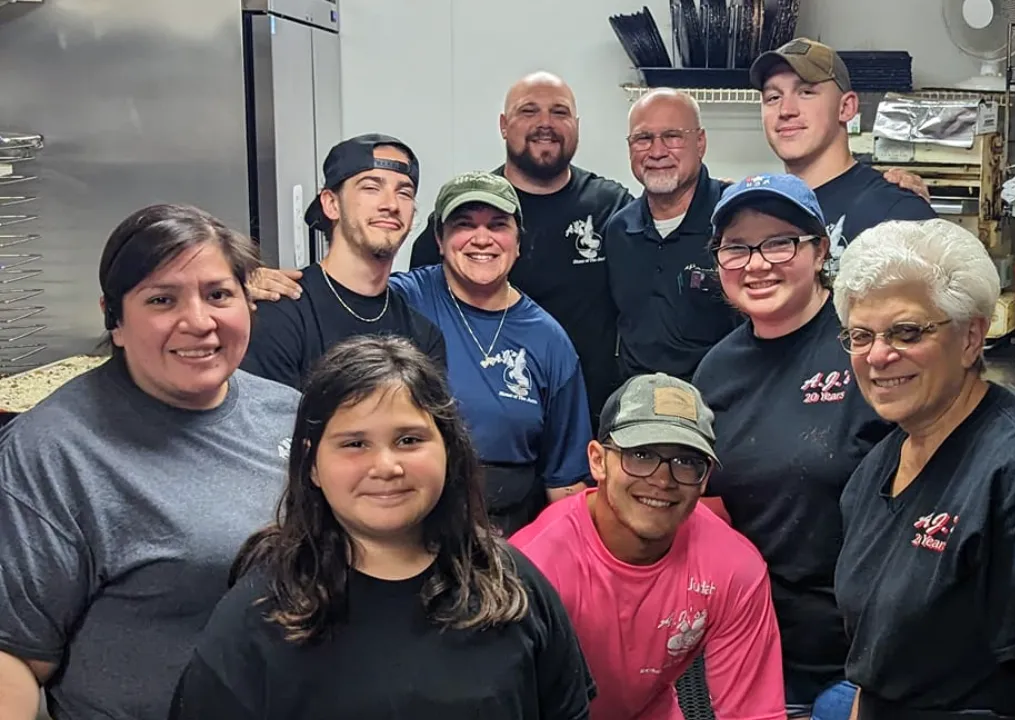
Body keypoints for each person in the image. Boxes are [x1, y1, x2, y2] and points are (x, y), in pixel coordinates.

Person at [168, 336, 594, 719]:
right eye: (355, 444)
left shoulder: (513, 585)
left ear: (449, 448)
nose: (386, 467)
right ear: (312, 463)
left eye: (409, 440)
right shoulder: (258, 611)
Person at [0, 204, 300, 720]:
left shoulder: (290, 413)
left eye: (219, 294)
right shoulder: (53, 450)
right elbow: (14, 657)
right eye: (162, 299)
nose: (199, 321)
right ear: (114, 319)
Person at [831, 219, 1015, 720]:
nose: (878, 355)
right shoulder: (880, 465)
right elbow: (877, 674)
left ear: (970, 337)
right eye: (860, 335)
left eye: (906, 331)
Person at [691, 174, 892, 720]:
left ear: (820, 249)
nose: (757, 264)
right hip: (754, 649)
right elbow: (711, 507)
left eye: (780, 242)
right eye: (737, 248)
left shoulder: (867, 349)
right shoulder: (717, 370)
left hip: (861, 659)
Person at [511, 373, 786, 720]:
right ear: (598, 461)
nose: (661, 480)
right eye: (640, 454)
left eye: (687, 462)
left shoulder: (734, 569)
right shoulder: (532, 571)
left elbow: (755, 714)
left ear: (705, 480)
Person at [409, 71, 633, 426]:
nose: (545, 124)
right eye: (528, 111)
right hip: (479, 425)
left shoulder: (611, 206)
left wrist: (714, 197)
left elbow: (666, 247)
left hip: (587, 417)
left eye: (559, 112)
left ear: (576, 125)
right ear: (503, 124)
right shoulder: (462, 217)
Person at [390, 171, 592, 535]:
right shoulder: (402, 300)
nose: (481, 239)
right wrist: (262, 284)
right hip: (409, 522)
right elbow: (340, 285)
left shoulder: (549, 341)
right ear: (439, 239)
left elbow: (566, 483)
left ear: (517, 242)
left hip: (509, 531)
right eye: (464, 225)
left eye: (498, 225)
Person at [239, 134, 447, 387]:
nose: (391, 204)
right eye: (371, 187)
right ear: (331, 204)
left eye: (404, 193)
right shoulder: (281, 313)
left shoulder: (424, 335)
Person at [750, 38, 936, 274]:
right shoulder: (760, 213)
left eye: (806, 92)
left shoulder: (897, 212)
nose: (786, 110)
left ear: (846, 107)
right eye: (773, 97)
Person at [604, 89, 741, 381]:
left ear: (700, 142)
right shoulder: (619, 231)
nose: (657, 152)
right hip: (637, 405)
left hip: (720, 406)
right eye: (643, 138)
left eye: (673, 136)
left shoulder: (737, 218)